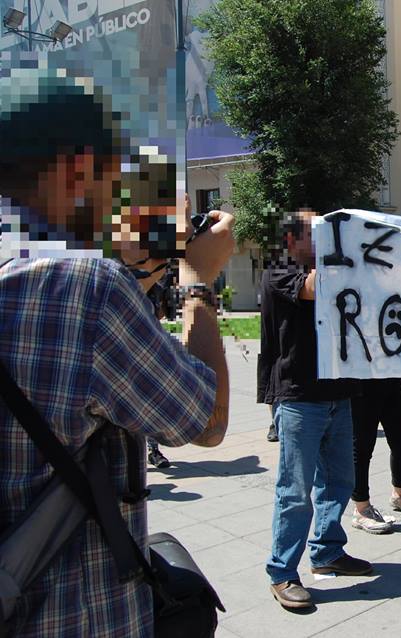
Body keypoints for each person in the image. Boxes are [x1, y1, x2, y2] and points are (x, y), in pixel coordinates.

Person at [0, 68, 234, 637]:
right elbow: (206, 422)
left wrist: (134, 279)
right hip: (72, 615)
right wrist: (197, 278)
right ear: (80, 169)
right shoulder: (87, 288)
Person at [262, 210, 371, 609]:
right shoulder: (279, 268)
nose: (326, 238)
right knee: (294, 491)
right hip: (298, 398)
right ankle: (282, 572)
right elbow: (311, 288)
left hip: (337, 395)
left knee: (340, 480)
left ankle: (327, 550)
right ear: (292, 240)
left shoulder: (329, 267)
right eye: (317, 232)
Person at [350, 378, 401, 534]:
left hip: (394, 380)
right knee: (361, 449)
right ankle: (361, 508)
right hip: (362, 386)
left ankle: (400, 494)